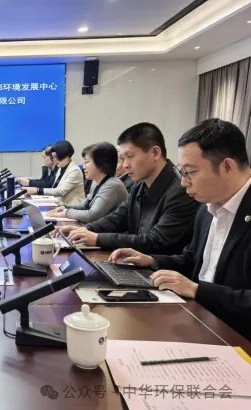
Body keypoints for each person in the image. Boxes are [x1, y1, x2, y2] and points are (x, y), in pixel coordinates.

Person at [109, 119, 251, 340]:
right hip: (198, 320)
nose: (183, 183)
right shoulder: (207, 208)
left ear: (227, 167)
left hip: (236, 338)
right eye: (181, 172)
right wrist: (151, 260)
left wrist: (197, 290)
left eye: (190, 172)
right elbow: (192, 259)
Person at [58, 122, 199, 254]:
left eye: (130, 156)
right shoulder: (140, 185)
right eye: (122, 158)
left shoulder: (181, 190)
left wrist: (97, 238)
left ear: (155, 153)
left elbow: (155, 241)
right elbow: (119, 218)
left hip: (161, 268)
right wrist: (86, 229)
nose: (125, 165)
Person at [47, 142, 127, 223]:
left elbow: (91, 216)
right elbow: (84, 205)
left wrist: (66, 213)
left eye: (86, 162)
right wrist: (65, 207)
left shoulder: (112, 185)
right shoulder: (101, 182)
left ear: (101, 163)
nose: (83, 166)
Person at [23, 140, 85, 206]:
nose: (54, 160)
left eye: (56, 157)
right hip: (60, 205)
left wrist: (37, 190)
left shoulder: (75, 171)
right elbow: (54, 188)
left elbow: (60, 191)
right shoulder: (61, 168)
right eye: (53, 157)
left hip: (72, 208)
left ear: (66, 157)